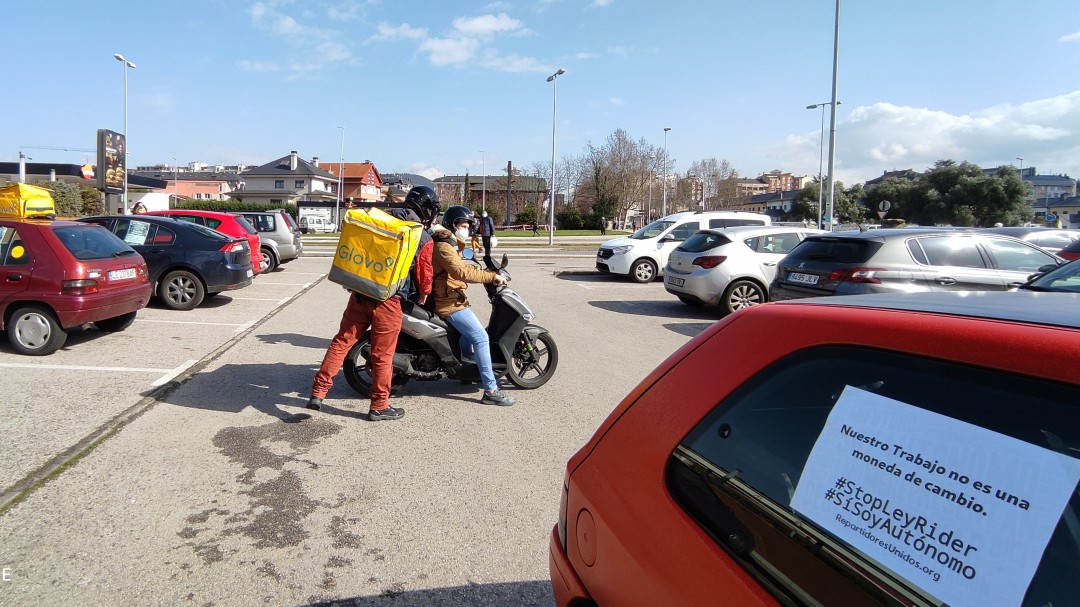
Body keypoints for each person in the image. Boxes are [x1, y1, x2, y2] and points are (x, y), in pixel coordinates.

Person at [305, 186, 439, 421]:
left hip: (360, 293)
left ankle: (318, 392)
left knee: (341, 342)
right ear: (427, 210)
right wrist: (425, 293)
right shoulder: (421, 235)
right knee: (382, 355)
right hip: (389, 301)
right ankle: (379, 405)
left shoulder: (381, 218)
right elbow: (424, 274)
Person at [430, 205, 515, 406]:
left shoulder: (450, 243)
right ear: (452, 224)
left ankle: (466, 373)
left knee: (467, 336)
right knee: (480, 337)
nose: (466, 228)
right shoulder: (444, 246)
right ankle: (491, 390)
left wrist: (481, 269)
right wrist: (492, 277)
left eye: (468, 225)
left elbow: (459, 267)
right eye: (462, 224)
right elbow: (461, 273)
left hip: (453, 298)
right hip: (449, 303)